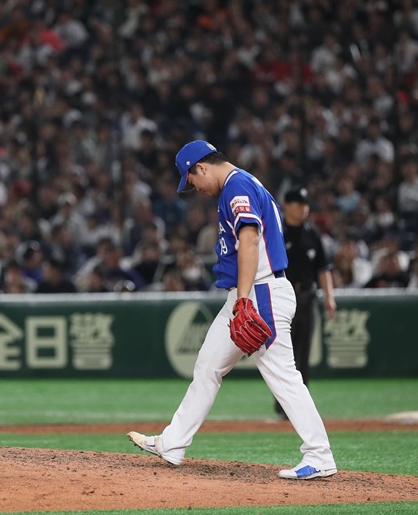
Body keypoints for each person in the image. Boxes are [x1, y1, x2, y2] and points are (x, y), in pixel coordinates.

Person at [127, 141, 336, 480]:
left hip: (261, 291)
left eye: (192, 179)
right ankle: (173, 443)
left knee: (283, 376)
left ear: (202, 168)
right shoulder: (236, 187)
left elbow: (250, 240)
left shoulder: (236, 186)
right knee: (208, 364)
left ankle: (320, 455)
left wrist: (242, 300)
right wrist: (239, 298)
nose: (194, 187)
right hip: (249, 292)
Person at [274, 188, 336, 419]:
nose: (304, 208)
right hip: (282, 296)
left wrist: (329, 297)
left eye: (305, 204)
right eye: (298, 204)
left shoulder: (312, 234)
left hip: (308, 296)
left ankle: (300, 406)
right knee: (282, 354)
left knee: (303, 353)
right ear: (286, 205)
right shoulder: (277, 232)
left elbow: (323, 268)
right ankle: (283, 407)